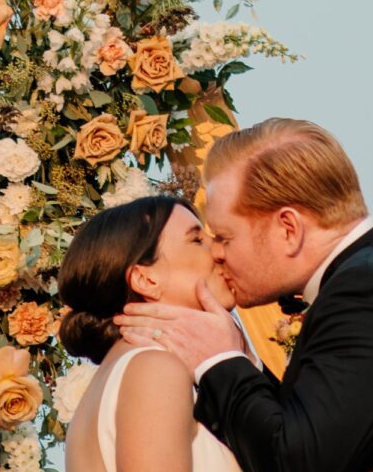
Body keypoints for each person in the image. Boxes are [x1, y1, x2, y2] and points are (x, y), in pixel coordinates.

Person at [115, 118, 373, 472]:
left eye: (226, 236)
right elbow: (320, 429)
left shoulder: (371, 291)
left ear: (288, 228)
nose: (216, 252)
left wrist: (220, 361)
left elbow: (298, 461)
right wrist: (244, 358)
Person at [58, 196, 243, 472]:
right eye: (196, 240)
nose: (218, 250)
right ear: (146, 279)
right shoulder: (154, 368)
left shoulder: (122, 372)